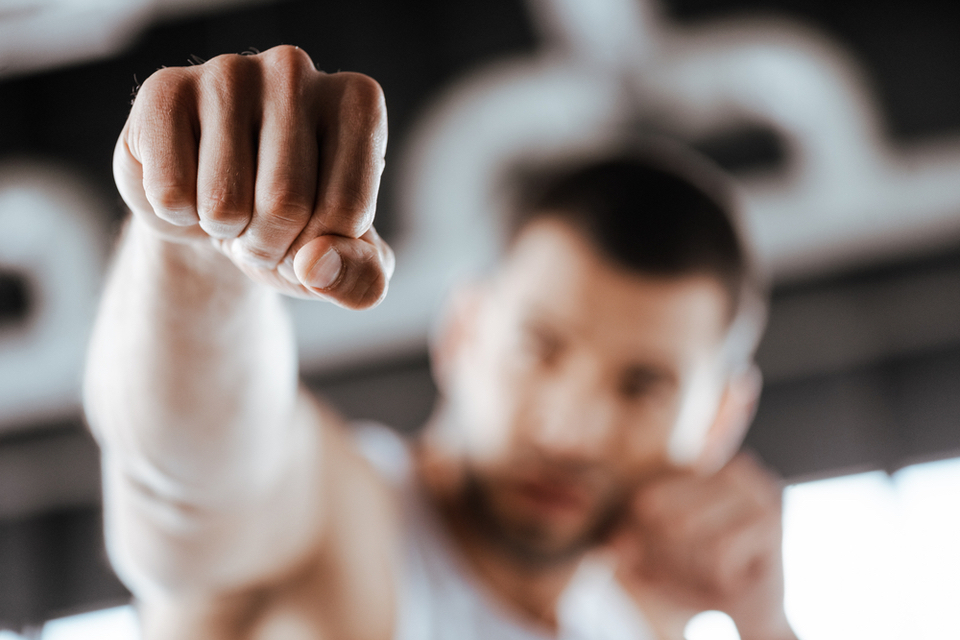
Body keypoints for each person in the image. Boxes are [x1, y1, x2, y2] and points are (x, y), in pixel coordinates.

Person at [84, 45, 797, 640]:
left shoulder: (646, 617)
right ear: (461, 335)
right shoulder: (341, 527)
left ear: (720, 420)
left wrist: (766, 624)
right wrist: (194, 250)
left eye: (643, 386)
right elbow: (192, 491)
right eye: (539, 348)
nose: (572, 430)